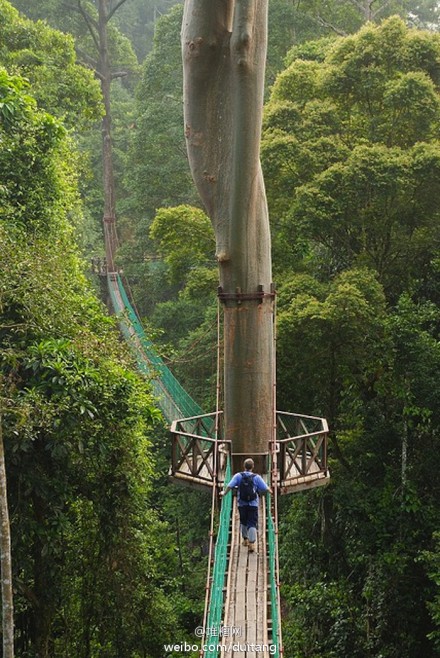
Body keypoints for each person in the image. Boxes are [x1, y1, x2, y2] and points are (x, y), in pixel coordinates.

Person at [220, 458, 272, 553]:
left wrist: (224, 493)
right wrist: (271, 492)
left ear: (244, 466)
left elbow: (229, 486)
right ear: (253, 467)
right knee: (252, 523)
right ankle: (252, 544)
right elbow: (266, 488)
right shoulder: (257, 477)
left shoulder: (238, 476)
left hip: (242, 504)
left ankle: (245, 539)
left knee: (243, 521)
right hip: (253, 504)